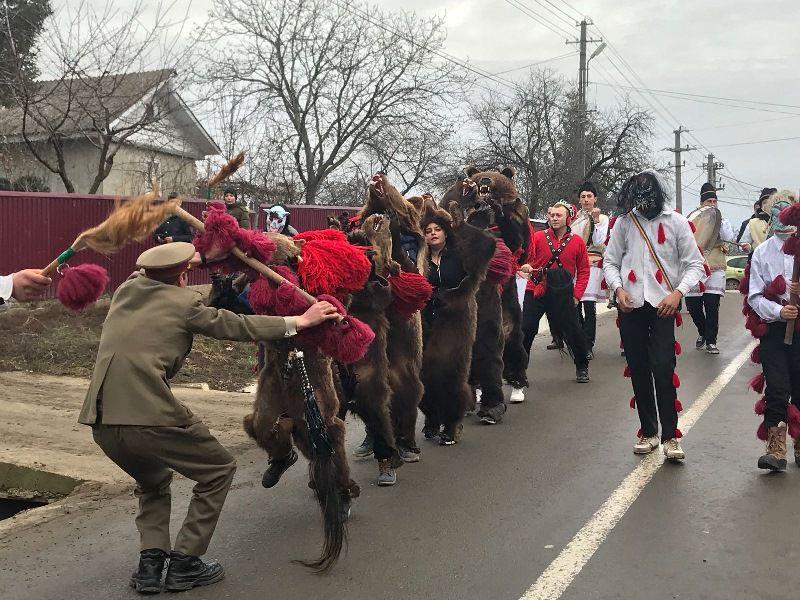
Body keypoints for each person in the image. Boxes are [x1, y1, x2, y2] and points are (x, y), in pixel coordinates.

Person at [78, 242, 340, 594]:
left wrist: (202, 256)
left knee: (153, 481)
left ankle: (150, 566)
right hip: (151, 417)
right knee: (218, 470)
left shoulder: (126, 291)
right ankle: (186, 562)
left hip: (102, 421)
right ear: (182, 277)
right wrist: (302, 320)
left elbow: (152, 270)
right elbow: (239, 326)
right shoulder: (186, 305)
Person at [603, 170, 705, 461]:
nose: (644, 204)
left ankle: (671, 436)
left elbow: (695, 264)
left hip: (663, 305)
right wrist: (618, 289)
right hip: (631, 305)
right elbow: (610, 261)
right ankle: (648, 432)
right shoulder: (624, 223)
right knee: (638, 367)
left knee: (662, 366)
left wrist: (678, 293)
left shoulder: (677, 223)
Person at [745, 189, 800, 471]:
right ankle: (776, 448)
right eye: (776, 210)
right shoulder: (762, 252)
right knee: (777, 386)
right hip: (775, 331)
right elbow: (754, 296)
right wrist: (779, 311)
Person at [519, 200, 591, 383]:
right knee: (526, 328)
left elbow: (584, 271)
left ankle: (582, 366)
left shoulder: (577, 242)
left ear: (568, 219)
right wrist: (526, 265)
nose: (554, 218)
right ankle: (519, 369)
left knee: (573, 330)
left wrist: (577, 295)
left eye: (559, 215)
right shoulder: (537, 237)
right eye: (552, 215)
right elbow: (525, 258)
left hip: (563, 293)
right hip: (536, 289)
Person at [685, 183, 735, 354]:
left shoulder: (722, 220)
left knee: (712, 305)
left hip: (715, 265)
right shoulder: (693, 219)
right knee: (693, 305)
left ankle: (711, 340)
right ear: (702, 203)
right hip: (696, 265)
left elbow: (729, 237)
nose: (712, 204)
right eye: (709, 201)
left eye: (715, 201)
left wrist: (718, 221)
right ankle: (703, 331)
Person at [571, 181, 609, 360]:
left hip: (592, 265)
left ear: (595, 199)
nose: (586, 200)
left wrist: (595, 220)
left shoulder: (603, 218)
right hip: (575, 265)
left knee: (588, 304)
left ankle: (588, 344)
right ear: (579, 200)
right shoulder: (574, 218)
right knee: (575, 304)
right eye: (583, 197)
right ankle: (578, 341)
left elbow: (599, 240)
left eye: (589, 196)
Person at [740, 188, 776, 253]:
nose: (768, 205)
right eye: (765, 202)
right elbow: (744, 242)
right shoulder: (753, 223)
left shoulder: (783, 222)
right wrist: (747, 246)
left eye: (771, 202)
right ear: (761, 206)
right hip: (758, 257)